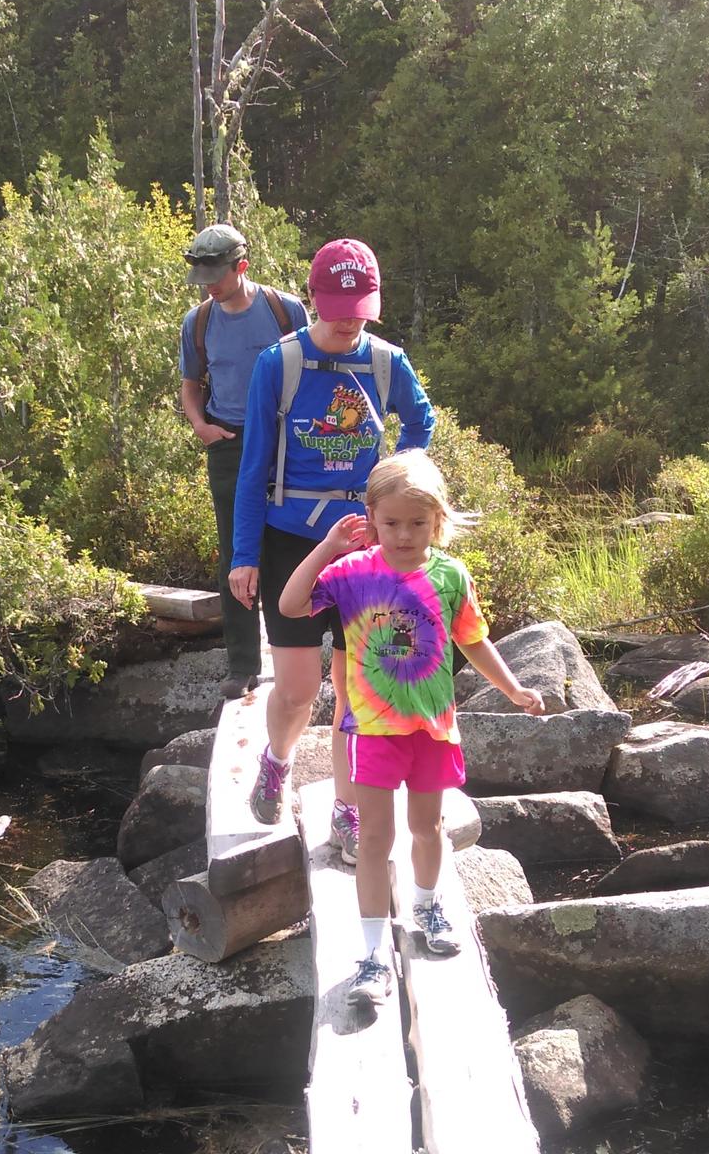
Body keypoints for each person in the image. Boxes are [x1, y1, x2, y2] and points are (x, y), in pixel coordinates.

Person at [278, 449, 545, 1006]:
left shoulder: (450, 574)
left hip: (432, 729)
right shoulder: (353, 573)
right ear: (371, 516)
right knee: (375, 840)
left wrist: (513, 688)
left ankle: (426, 905)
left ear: (438, 521)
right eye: (392, 522)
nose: (404, 534)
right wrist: (328, 546)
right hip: (372, 730)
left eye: (418, 523)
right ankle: (372, 956)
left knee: (428, 830)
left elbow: (472, 640)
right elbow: (290, 603)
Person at [227, 237, 435, 866]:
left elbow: (420, 423)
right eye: (339, 304)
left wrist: (395, 482)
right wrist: (244, 553)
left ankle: (348, 812)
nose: (351, 318)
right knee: (294, 688)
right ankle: (276, 761)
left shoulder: (387, 362)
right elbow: (252, 466)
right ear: (315, 297)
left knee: (352, 689)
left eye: (362, 305)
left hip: (362, 544)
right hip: (290, 538)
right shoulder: (278, 364)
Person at [179, 223, 309, 699]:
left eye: (217, 274)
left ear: (243, 267)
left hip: (285, 439)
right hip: (229, 439)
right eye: (202, 276)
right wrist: (201, 426)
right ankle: (242, 665)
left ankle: (291, 647)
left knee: (285, 541)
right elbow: (191, 385)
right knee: (236, 546)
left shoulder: (284, 310)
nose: (209, 285)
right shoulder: (197, 322)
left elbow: (313, 366)